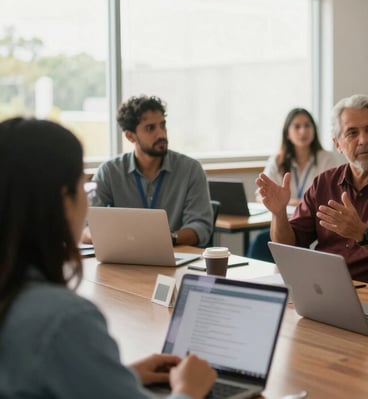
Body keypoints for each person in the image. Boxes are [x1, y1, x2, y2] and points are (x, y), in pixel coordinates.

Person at [0, 117, 216, 398]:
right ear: (63, 200)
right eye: (82, 186)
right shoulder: (65, 320)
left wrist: (119, 375)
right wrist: (188, 389)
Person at [257, 94, 368, 291]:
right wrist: (279, 213)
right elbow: (288, 248)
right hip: (324, 291)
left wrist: (362, 233)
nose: (364, 140)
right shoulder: (324, 183)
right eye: (352, 133)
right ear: (338, 144)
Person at [83, 95, 212, 247]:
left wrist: (166, 239)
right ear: (130, 136)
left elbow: (201, 227)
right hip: (124, 256)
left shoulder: (191, 170)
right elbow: (85, 226)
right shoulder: (109, 172)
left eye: (162, 125)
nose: (161, 134)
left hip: (175, 255)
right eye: (150, 128)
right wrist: (113, 238)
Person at [247, 107, 344, 260]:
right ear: (287, 132)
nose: (303, 131)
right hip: (283, 220)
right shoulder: (278, 160)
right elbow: (261, 195)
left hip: (312, 223)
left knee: (264, 240)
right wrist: (288, 203)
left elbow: (330, 198)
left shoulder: (326, 158)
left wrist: (295, 203)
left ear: (314, 130)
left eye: (307, 126)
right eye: (297, 126)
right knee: (261, 241)